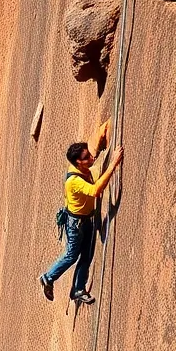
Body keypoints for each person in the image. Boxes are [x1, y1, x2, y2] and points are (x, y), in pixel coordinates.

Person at [39, 118, 124, 304]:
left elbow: (93, 147)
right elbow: (95, 191)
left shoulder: (81, 164)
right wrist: (113, 164)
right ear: (79, 162)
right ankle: (48, 277)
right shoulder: (74, 181)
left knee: (86, 255)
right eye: (87, 158)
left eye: (89, 156)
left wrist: (104, 130)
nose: (91, 159)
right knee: (72, 255)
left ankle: (78, 289)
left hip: (85, 218)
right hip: (76, 223)